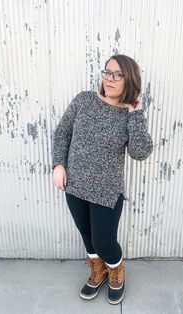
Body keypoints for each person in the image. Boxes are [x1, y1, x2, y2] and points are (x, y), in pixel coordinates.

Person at [52, 54, 153, 305]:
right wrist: (58, 164)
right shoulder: (84, 100)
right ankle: (98, 272)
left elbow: (141, 152)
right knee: (88, 238)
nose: (110, 78)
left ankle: (116, 269)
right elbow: (62, 133)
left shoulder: (129, 116)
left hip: (106, 192)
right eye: (107, 72)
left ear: (129, 80)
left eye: (117, 74)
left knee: (104, 242)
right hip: (74, 186)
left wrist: (135, 113)